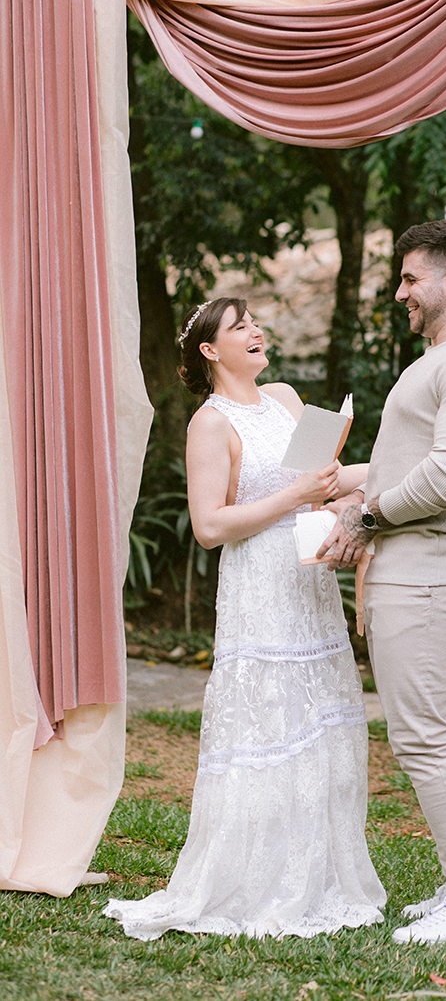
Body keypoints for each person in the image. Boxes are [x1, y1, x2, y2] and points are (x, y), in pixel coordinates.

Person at [104, 296, 385, 940]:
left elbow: (328, 479)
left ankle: (320, 877)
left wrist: (383, 479)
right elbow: (209, 527)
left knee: (318, 723)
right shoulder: (209, 422)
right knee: (266, 725)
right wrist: (296, 493)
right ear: (210, 351)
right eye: (240, 326)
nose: (257, 330)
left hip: (308, 580)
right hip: (258, 587)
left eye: (255, 322)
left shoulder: (286, 397)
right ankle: (254, 883)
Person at [319, 220, 446, 944]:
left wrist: (364, 515)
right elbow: (414, 462)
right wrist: (332, 482)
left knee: (422, 737)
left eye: (410, 278)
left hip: (436, 567)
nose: (400, 291)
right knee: (417, 734)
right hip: (417, 563)